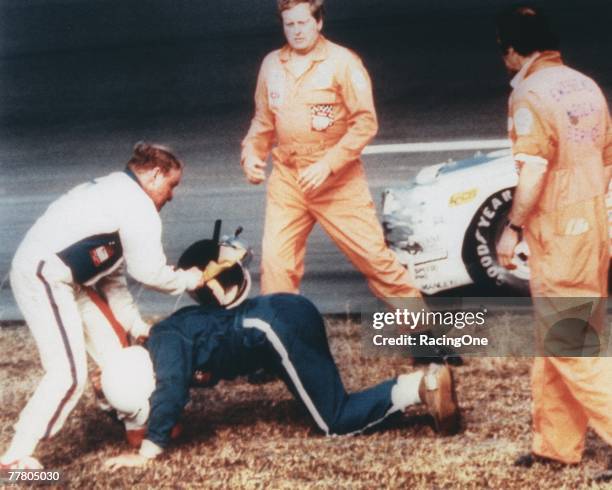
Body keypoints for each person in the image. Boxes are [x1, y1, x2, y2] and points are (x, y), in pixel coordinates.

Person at [101, 239, 461, 470]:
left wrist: (148, 451)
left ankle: (422, 386)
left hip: (272, 328)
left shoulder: (164, 344)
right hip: (286, 307)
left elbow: (170, 393)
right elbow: (210, 343)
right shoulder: (172, 330)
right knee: (322, 394)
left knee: (333, 421)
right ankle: (420, 384)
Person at [0, 142, 207, 470]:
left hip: (67, 278)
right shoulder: (137, 205)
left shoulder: (119, 191)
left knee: (119, 353)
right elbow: (148, 272)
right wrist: (190, 279)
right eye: (172, 185)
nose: (172, 195)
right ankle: (14, 458)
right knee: (68, 374)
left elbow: (113, 279)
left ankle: (139, 428)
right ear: (154, 175)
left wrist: (137, 327)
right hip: (45, 276)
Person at [494, 6, 612, 481]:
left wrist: (513, 227)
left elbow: (535, 170)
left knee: (567, 346)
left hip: (560, 236)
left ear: (512, 51)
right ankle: (556, 446)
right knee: (560, 339)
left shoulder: (529, 94)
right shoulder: (585, 85)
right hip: (592, 228)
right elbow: (607, 159)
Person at [240, 0, 422, 302]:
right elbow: (263, 120)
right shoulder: (272, 64)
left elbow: (365, 123)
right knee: (276, 265)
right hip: (288, 179)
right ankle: (280, 338)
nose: (297, 32)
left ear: (318, 22)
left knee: (374, 259)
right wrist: (251, 154)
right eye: (290, 25)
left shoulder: (343, 62)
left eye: (303, 23)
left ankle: (424, 337)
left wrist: (328, 164)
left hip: (337, 181)